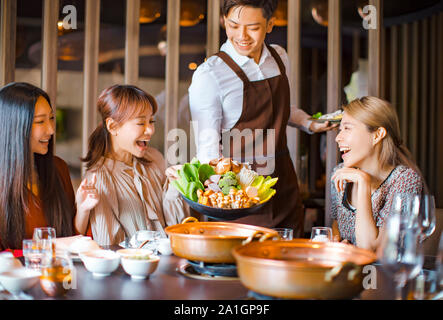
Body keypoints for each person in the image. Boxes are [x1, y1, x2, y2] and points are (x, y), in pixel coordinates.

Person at [188, 0, 336, 236]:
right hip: (239, 195)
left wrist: (308, 122)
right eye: (233, 25)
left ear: (270, 25)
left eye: (253, 27)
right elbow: (208, 151)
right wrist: (229, 199)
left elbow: (281, 108)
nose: (242, 36)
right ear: (224, 21)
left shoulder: (278, 57)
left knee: (289, 262)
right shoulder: (210, 75)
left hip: (284, 184)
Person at [74, 85, 189, 246]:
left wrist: (176, 185)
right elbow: (109, 245)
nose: (150, 130)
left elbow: (177, 227)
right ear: (113, 126)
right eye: (141, 123)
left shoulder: (155, 159)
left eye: (151, 121)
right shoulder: (98, 178)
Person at [331, 96, 425, 251]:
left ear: (377, 135)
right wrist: (336, 242)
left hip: (382, 274)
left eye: (347, 128)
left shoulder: (405, 180)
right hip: (348, 271)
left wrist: (363, 183)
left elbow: (373, 250)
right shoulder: (339, 173)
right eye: (340, 130)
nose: (337, 138)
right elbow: (336, 225)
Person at [0, 82, 75, 250]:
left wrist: (84, 209)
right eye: (40, 121)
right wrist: (53, 245)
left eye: (51, 118)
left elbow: (73, 238)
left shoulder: (58, 168)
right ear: (14, 127)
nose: (51, 130)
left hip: (57, 274)